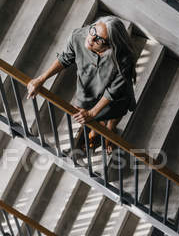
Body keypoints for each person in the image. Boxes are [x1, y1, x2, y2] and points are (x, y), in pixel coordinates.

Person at [26, 16, 137, 154]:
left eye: (99, 40)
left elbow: (112, 92)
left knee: (114, 114)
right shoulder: (78, 36)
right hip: (88, 88)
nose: (91, 39)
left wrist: (92, 113)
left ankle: (110, 131)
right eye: (93, 30)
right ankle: (96, 131)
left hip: (113, 96)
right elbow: (65, 58)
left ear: (110, 45)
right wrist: (41, 79)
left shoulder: (124, 59)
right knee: (89, 116)